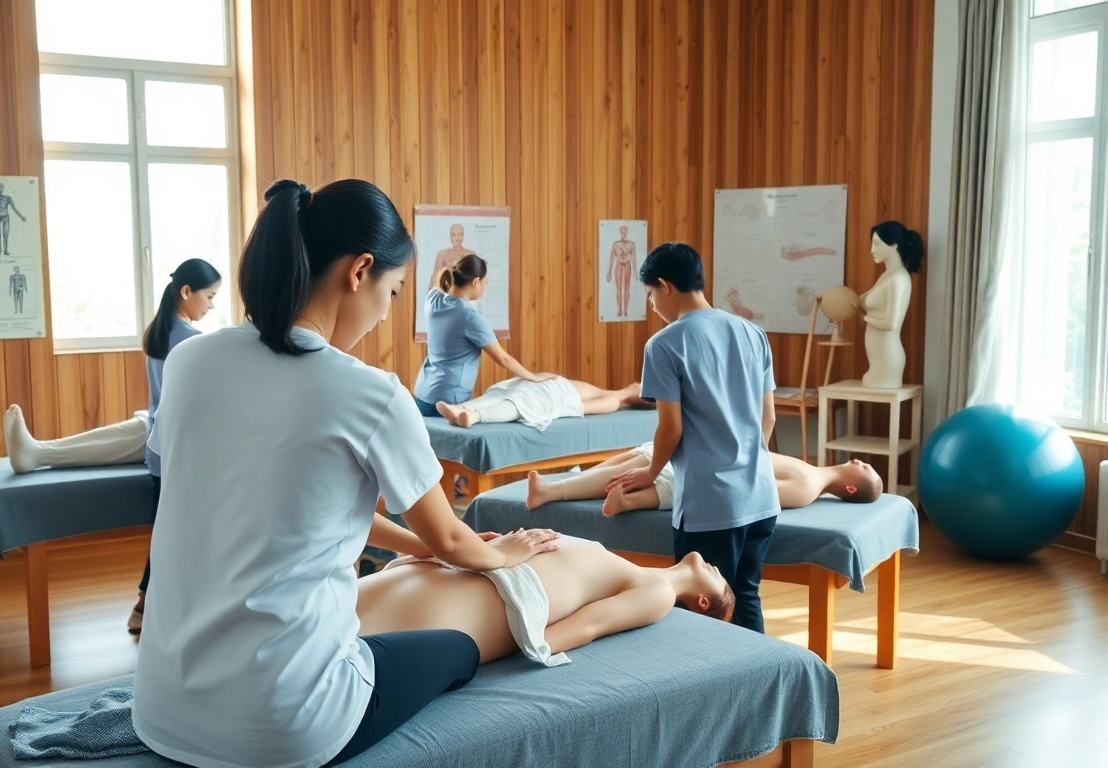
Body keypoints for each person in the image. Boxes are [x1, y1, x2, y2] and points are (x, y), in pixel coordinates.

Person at [130, 178, 562, 768]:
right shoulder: (367, 392)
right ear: (360, 271)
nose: (385, 313)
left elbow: (302, 509)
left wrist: (418, 548)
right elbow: (454, 537)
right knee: (458, 651)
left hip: (158, 709)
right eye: (393, 289)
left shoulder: (190, 361)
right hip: (280, 728)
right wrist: (506, 553)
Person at [1, 258, 221, 632]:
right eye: (210, 296)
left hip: (157, 444)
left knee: (166, 528)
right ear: (187, 292)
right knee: (173, 532)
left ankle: (148, 605)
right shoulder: (192, 342)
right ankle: (145, 605)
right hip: (175, 449)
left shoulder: (159, 333)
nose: (212, 305)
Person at [608, 242, 779, 634]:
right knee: (745, 596)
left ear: (665, 286)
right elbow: (767, 416)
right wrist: (748, 461)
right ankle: (758, 689)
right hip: (762, 495)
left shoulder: (665, 344)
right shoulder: (753, 333)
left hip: (712, 503)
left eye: (650, 295)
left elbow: (670, 428)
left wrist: (649, 474)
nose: (652, 305)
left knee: (703, 613)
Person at [358, 534, 734, 664]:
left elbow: (590, 625)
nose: (719, 570)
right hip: (460, 573)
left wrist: (525, 644)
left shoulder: (660, 593)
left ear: (703, 602)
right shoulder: (632, 569)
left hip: (482, 599)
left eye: (723, 586)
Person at [526, 448, 883, 516]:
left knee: (640, 469)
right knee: (635, 456)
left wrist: (701, 481)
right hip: (713, 454)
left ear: (851, 489)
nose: (860, 461)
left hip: (711, 470)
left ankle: (550, 492)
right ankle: (575, 482)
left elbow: (748, 491)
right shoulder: (812, 472)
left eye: (865, 469)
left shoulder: (807, 489)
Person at [412, 253, 554, 417]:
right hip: (449, 400)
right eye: (485, 281)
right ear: (475, 282)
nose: (485, 286)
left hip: (422, 394)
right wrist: (534, 377)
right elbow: (503, 358)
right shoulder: (470, 316)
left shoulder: (433, 298)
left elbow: (439, 286)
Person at [435, 378, 644, 430]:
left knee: (524, 402)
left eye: (642, 387)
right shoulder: (608, 393)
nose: (638, 383)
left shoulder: (612, 401)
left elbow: (576, 409)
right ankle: (463, 408)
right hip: (549, 386)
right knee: (508, 389)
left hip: (555, 396)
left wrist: (553, 405)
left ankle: (474, 415)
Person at [860, 221, 923, 389]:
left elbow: (890, 323)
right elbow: (860, 301)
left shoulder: (898, 279)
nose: (872, 250)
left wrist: (866, 318)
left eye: (876, 244)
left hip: (888, 360)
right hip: (877, 359)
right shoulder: (886, 276)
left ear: (893, 245)